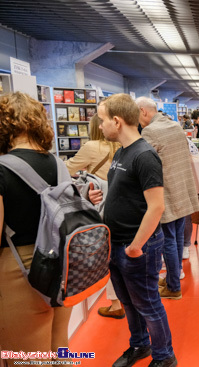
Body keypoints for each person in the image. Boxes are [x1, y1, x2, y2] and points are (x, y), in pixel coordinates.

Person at [94, 93, 177, 367]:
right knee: (129, 303)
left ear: (117, 121)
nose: (101, 125)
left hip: (136, 247)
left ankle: (164, 356)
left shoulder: (145, 155)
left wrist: (135, 246)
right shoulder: (121, 152)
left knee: (148, 304)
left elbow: (156, 207)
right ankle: (139, 345)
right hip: (117, 244)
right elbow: (126, 193)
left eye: (103, 120)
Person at [0, 92, 73, 366]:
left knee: (27, 358)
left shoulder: (1, 170)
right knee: (59, 349)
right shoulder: (56, 163)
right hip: (62, 268)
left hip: (19, 271)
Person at [137, 96, 199, 300]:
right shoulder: (174, 125)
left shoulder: (150, 131)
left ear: (143, 111)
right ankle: (174, 277)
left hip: (166, 192)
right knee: (177, 238)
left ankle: (173, 287)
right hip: (182, 190)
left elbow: (143, 163)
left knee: (169, 241)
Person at [65, 114, 125, 319]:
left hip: (101, 205)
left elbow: (65, 170)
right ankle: (127, 298)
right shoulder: (121, 145)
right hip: (122, 206)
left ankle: (116, 303)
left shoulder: (91, 147)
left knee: (105, 252)